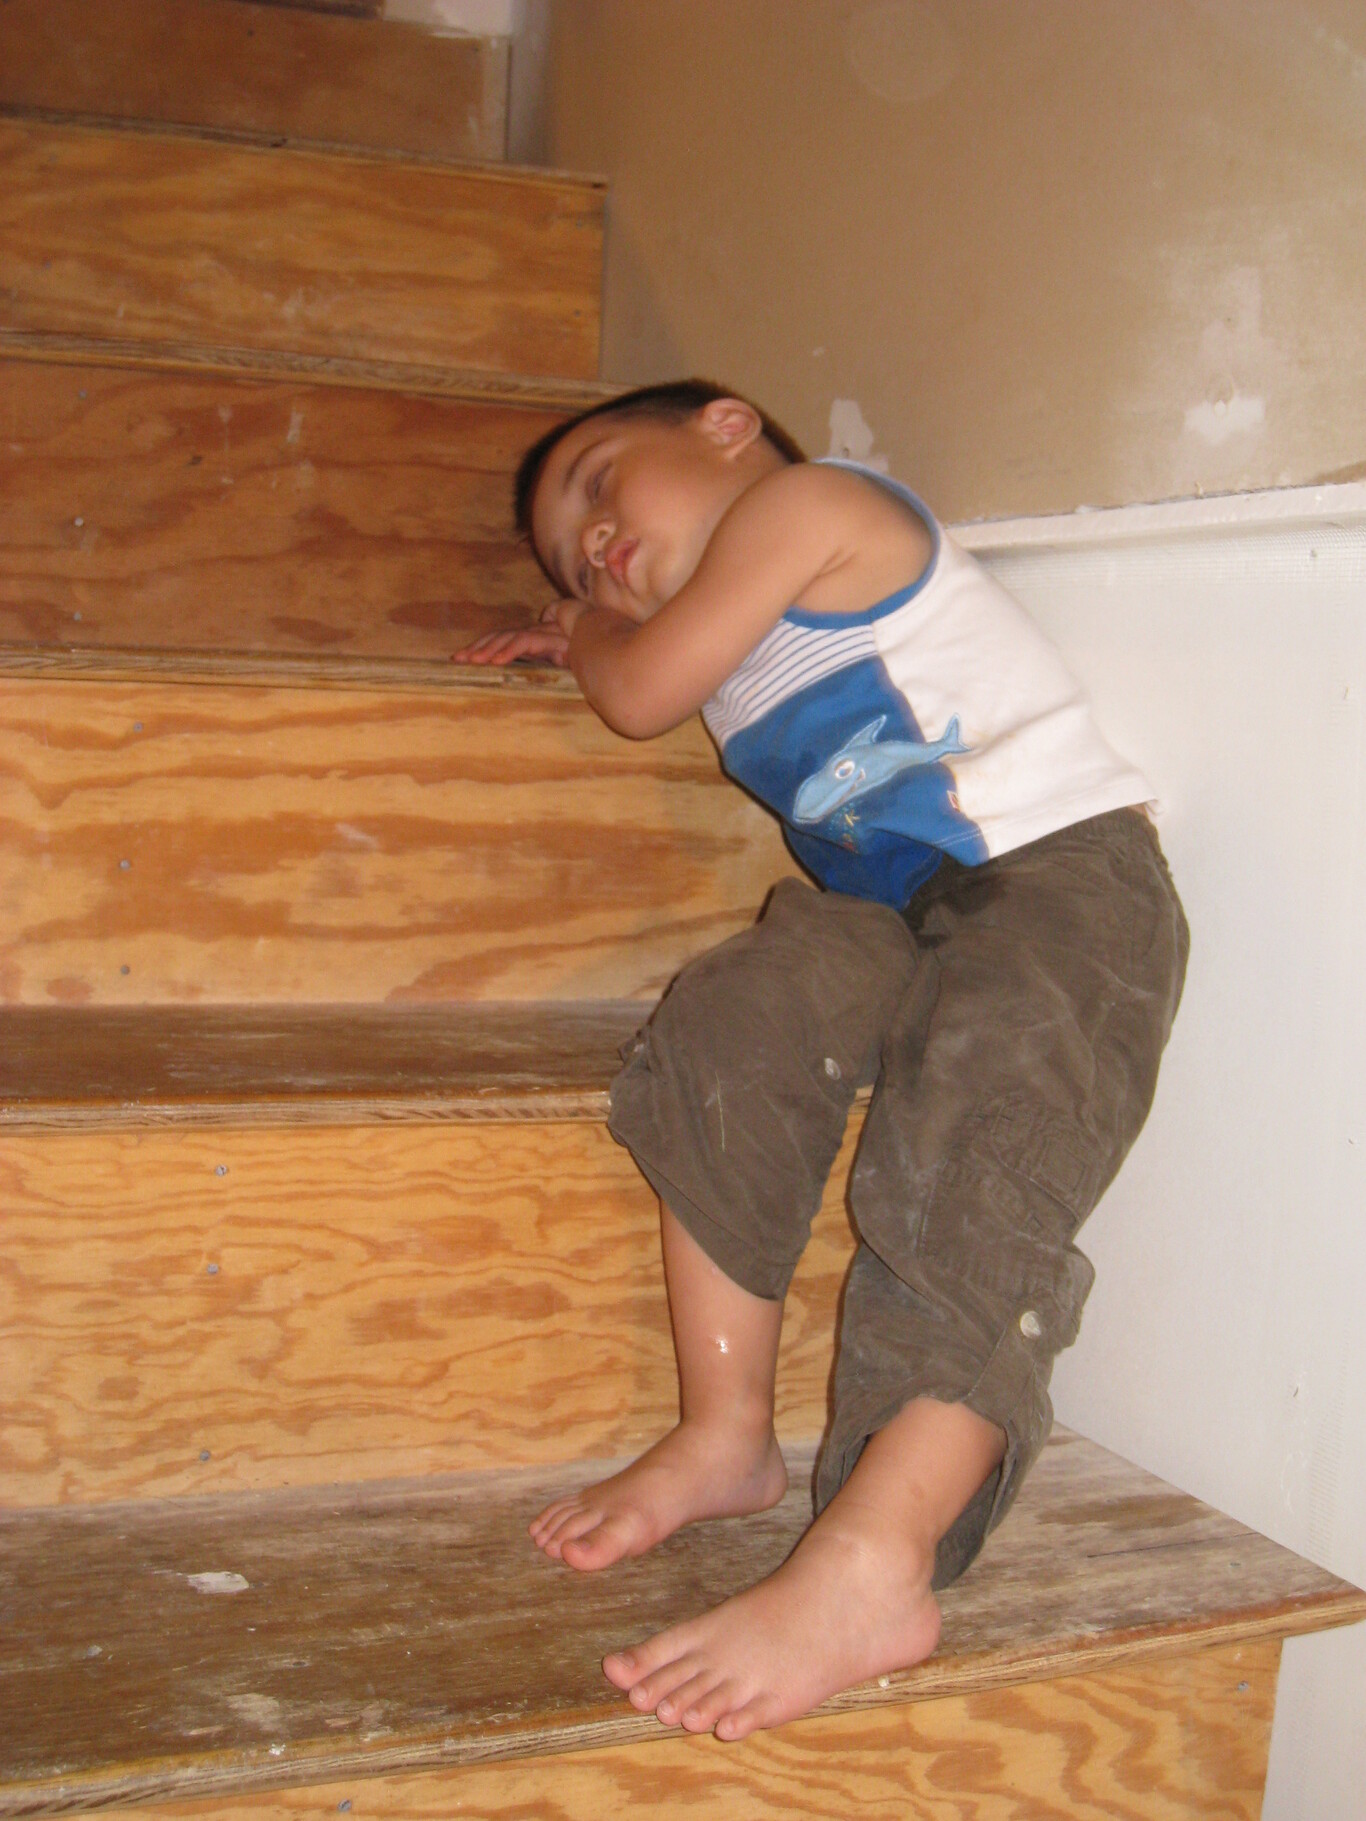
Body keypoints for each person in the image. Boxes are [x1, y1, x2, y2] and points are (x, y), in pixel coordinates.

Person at [452, 380, 1188, 1742]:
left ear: (727, 426)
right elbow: (657, 663)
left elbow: (636, 692)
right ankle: (723, 1430)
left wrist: (592, 630)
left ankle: (875, 1556)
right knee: (741, 1011)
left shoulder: (812, 505)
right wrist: (603, 620)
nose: (591, 547)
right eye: (570, 562)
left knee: (971, 1157)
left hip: (1055, 882)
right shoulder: (727, 632)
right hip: (900, 911)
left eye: (601, 482)